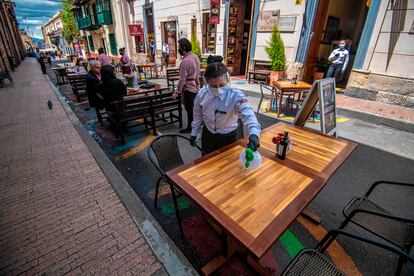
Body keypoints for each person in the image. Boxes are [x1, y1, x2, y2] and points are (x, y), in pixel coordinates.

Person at [190, 62, 261, 154]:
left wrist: (254, 134)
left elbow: (249, 115)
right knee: (206, 161)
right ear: (206, 83)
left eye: (222, 85)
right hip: (208, 134)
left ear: (227, 80)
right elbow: (197, 115)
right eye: (214, 86)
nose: (218, 89)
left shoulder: (236, 95)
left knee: (227, 164)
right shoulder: (202, 94)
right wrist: (194, 132)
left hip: (229, 137)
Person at [172, 38, 200, 133]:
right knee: (193, 108)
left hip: (188, 88)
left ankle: (190, 128)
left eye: (179, 47)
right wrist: (198, 85)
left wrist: (177, 92)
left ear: (183, 48)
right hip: (195, 86)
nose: (178, 49)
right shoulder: (195, 57)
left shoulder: (185, 61)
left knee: (189, 109)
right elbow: (198, 74)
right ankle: (194, 125)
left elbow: (182, 80)